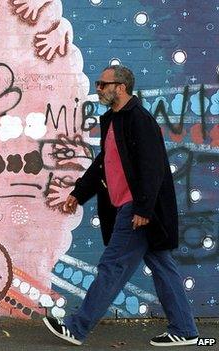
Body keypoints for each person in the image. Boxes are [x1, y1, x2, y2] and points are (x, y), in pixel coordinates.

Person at [42, 65, 199, 347]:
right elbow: (103, 164)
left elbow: (152, 168)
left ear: (121, 87)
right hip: (135, 208)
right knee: (163, 266)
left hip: (136, 210)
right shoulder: (114, 121)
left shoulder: (139, 120)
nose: (99, 88)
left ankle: (76, 329)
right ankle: (185, 329)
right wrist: (78, 193)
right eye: (98, 84)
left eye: (103, 84)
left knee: (112, 266)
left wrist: (143, 209)